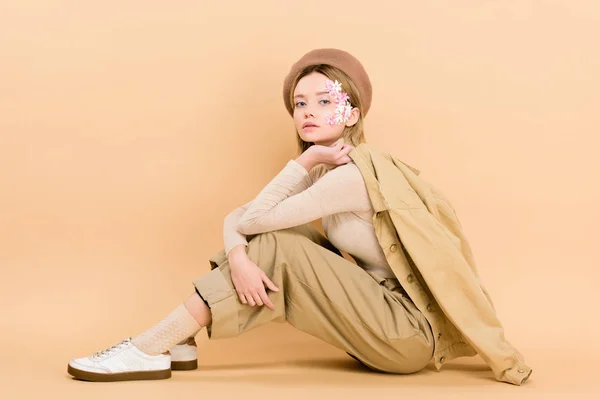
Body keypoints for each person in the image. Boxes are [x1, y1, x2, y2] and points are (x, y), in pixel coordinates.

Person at [67, 48, 530, 385]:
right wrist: (239, 255)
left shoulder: (349, 176)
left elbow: (250, 222)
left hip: (404, 335)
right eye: (300, 104)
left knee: (274, 246)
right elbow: (241, 216)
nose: (308, 112)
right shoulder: (328, 169)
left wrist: (301, 165)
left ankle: (148, 346)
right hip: (380, 323)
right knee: (266, 245)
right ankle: (178, 343)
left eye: (325, 101)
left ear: (352, 113)